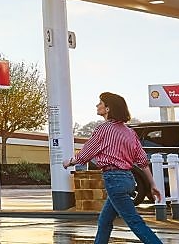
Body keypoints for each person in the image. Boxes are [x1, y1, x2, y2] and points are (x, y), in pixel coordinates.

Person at [63, 92, 164, 244]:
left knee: (135, 222)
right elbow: (143, 161)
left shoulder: (103, 129)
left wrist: (70, 161)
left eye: (100, 103)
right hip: (128, 180)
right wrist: (153, 184)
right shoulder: (130, 133)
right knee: (104, 221)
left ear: (108, 108)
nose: (97, 105)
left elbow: (85, 154)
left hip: (114, 180)